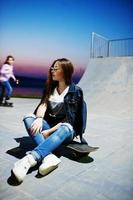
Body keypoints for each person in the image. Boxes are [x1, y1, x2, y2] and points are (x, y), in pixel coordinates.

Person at [12, 58, 87, 182]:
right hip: (49, 127)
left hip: (65, 131)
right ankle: (49, 157)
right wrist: (40, 119)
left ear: (65, 71)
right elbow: (43, 104)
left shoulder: (75, 91)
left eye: (56, 68)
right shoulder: (50, 87)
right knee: (28, 117)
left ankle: (30, 159)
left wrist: (48, 132)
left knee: (66, 128)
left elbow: (70, 120)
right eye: (52, 68)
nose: (52, 70)